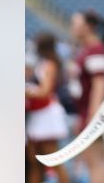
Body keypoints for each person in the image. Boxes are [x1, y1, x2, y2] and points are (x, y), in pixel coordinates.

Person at [71, 10, 104, 183]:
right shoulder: (89, 49)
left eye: (75, 24)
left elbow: (99, 86)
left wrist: (92, 118)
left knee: (95, 164)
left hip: (92, 114)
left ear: (88, 27)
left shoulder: (96, 50)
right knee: (94, 163)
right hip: (86, 113)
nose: (72, 28)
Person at [26, 32, 71, 183]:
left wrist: (25, 91)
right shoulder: (45, 63)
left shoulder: (50, 64)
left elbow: (46, 91)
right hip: (37, 114)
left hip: (47, 114)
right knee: (35, 162)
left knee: (53, 161)